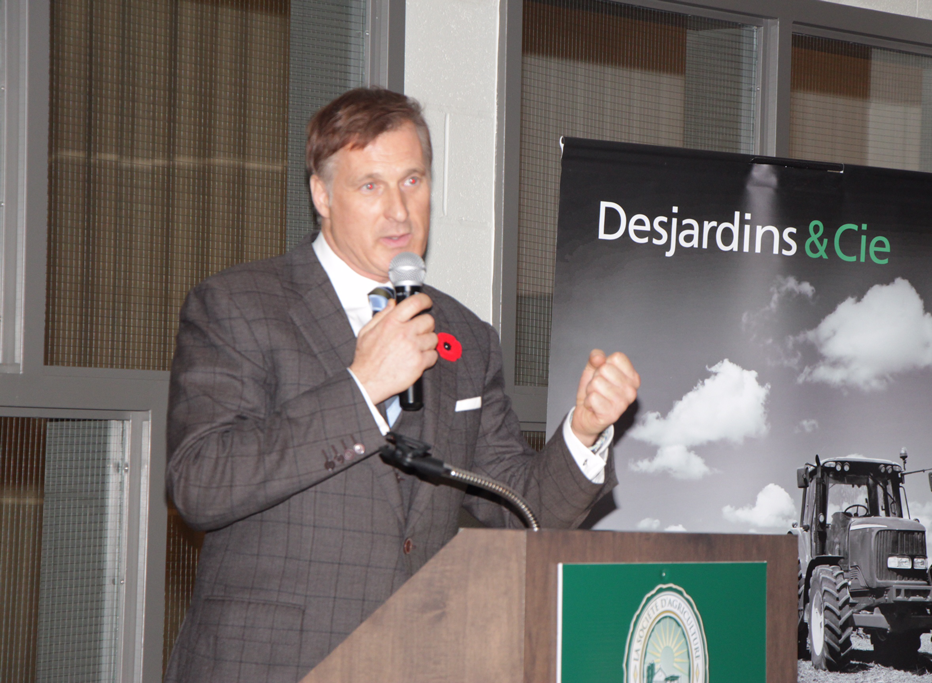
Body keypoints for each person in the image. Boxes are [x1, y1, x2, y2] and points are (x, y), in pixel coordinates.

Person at [163, 88, 640, 683]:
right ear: (321, 194)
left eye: (413, 182)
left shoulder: (465, 335)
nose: (398, 211)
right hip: (274, 664)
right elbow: (201, 482)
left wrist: (585, 432)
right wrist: (361, 388)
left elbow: (521, 511)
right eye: (371, 186)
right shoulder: (239, 305)